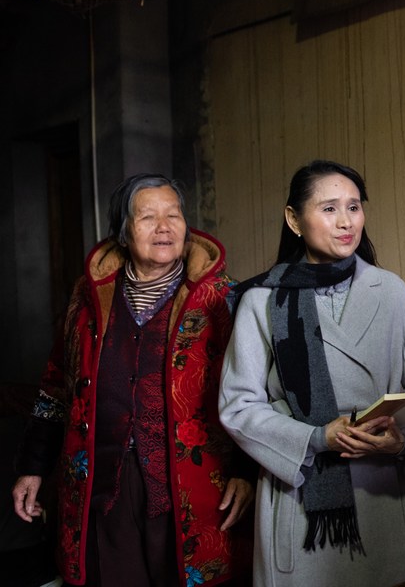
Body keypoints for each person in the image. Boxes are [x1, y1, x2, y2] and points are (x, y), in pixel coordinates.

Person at [12, 173, 255, 587]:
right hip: (103, 482)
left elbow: (254, 392)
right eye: (147, 217)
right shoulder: (88, 298)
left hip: (195, 483)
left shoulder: (223, 297)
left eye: (173, 215)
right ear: (123, 233)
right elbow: (56, 387)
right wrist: (33, 467)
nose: (164, 227)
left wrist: (246, 472)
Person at [219, 160, 405, 586]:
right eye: (329, 209)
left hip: (388, 487)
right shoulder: (262, 301)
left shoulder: (391, 290)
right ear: (294, 220)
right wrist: (317, 438)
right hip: (302, 487)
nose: (347, 222)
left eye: (354, 207)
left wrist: (403, 443)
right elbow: (238, 406)